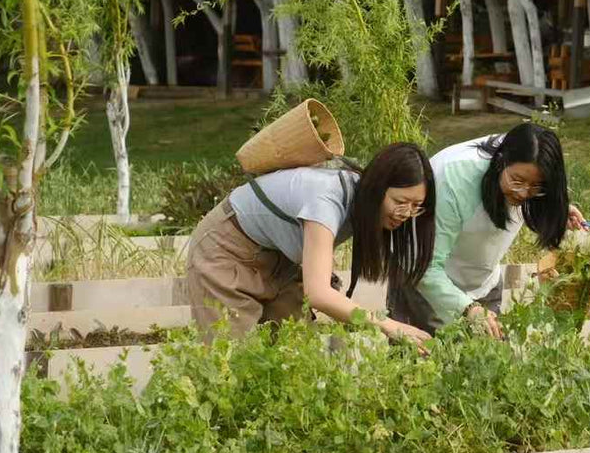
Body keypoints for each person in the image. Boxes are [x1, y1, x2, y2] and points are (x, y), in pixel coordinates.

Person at [185, 142, 437, 346]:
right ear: (377, 187)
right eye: (400, 202)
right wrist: (389, 326)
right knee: (228, 359)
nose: (406, 213)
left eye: (416, 206)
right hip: (226, 249)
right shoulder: (326, 200)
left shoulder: (361, 204)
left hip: (279, 258)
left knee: (295, 354)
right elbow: (318, 294)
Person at [388, 123, 585, 339]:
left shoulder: (528, 160)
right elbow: (424, 265)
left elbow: (529, 186)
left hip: (481, 280)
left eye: (536, 187)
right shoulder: (453, 178)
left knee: (491, 355)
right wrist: (468, 308)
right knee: (428, 355)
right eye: (517, 181)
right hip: (426, 285)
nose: (523, 193)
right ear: (500, 162)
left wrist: (554, 207)